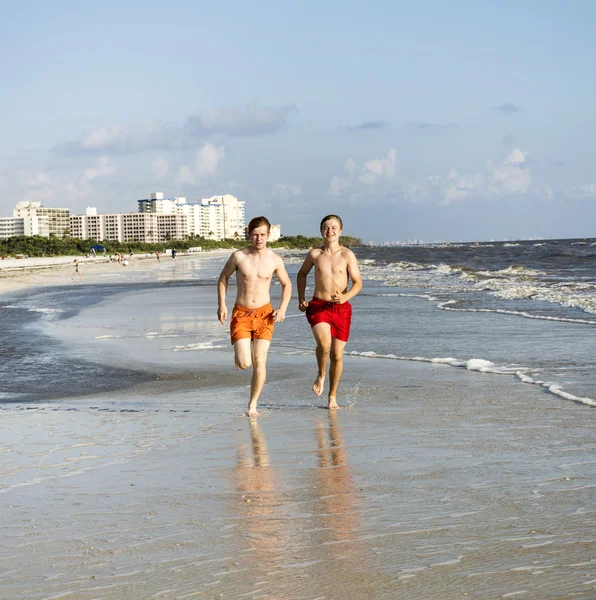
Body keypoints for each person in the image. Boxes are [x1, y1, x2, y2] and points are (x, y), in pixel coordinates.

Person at [218, 216, 292, 416]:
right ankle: (240, 354)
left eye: (262, 235)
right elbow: (223, 277)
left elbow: (287, 284)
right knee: (245, 363)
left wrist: (282, 308)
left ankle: (252, 405)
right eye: (255, 235)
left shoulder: (275, 259)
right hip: (241, 313)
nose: (259, 239)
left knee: (260, 360)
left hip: (265, 314)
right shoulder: (239, 257)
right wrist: (222, 305)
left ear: (268, 235)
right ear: (249, 235)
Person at [297, 214, 362, 409]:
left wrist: (345, 297)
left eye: (334, 227)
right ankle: (321, 374)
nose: (330, 231)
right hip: (318, 306)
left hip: (341, 308)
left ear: (340, 231)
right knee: (324, 345)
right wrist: (301, 298)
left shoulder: (347, 255)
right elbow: (302, 274)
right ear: (321, 231)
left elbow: (358, 283)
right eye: (326, 227)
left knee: (337, 355)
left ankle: (332, 396)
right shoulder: (315, 254)